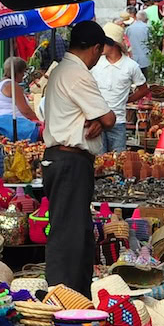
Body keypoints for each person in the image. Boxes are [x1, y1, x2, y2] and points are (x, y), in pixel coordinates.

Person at [39, 23, 114, 294]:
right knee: (69, 233)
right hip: (69, 161)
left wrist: (93, 119)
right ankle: (63, 293)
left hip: (64, 159)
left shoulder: (62, 70)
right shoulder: (76, 73)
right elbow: (109, 118)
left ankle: (74, 293)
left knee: (75, 230)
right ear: (94, 49)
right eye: (100, 53)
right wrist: (100, 120)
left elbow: (92, 117)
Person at [93, 40, 146, 154]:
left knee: (119, 161)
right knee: (99, 161)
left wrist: (127, 100)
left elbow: (143, 89)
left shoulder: (131, 66)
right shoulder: (96, 63)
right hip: (97, 120)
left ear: (113, 45)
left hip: (118, 121)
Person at [0, 58, 40, 140]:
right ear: (17, 72)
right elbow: (25, 111)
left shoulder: (1, 85)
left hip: (5, 124)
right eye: (23, 72)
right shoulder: (13, 86)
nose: (23, 75)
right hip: (18, 126)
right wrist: (39, 122)